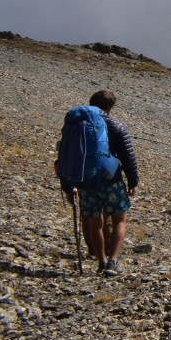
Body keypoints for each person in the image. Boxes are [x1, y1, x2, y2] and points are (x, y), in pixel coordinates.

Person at [61, 90, 139, 275]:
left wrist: (68, 186)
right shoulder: (115, 125)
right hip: (111, 179)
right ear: (109, 107)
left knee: (94, 222)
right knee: (120, 220)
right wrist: (133, 181)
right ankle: (113, 261)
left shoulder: (76, 124)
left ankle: (101, 261)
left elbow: (66, 155)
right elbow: (128, 156)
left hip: (85, 180)